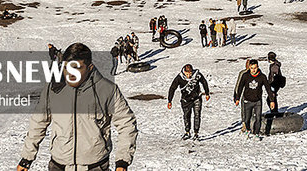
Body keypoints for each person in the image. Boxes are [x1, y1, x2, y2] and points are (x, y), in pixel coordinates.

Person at [17, 43, 138, 171]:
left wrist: (122, 161)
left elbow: (127, 124)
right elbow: (38, 122)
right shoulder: (53, 88)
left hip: (95, 166)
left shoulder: (107, 90)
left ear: (90, 67)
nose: (70, 73)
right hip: (59, 165)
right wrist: (27, 158)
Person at [167, 64, 210, 140]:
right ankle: (187, 132)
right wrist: (170, 100)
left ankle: (196, 133)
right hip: (186, 100)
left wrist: (207, 93)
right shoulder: (179, 77)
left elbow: (204, 82)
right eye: (187, 74)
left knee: (197, 115)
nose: (189, 75)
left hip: (197, 98)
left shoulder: (197, 75)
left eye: (190, 74)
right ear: (184, 72)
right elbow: (172, 88)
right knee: (186, 116)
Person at [234, 59, 275, 136]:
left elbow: (268, 88)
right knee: (247, 119)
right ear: (249, 67)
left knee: (258, 118)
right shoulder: (245, 75)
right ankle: (248, 130)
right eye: (252, 68)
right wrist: (237, 98)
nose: (253, 70)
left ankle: (256, 133)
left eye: (255, 68)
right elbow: (240, 87)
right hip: (247, 100)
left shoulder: (262, 77)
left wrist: (272, 100)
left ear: (258, 67)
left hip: (257, 101)